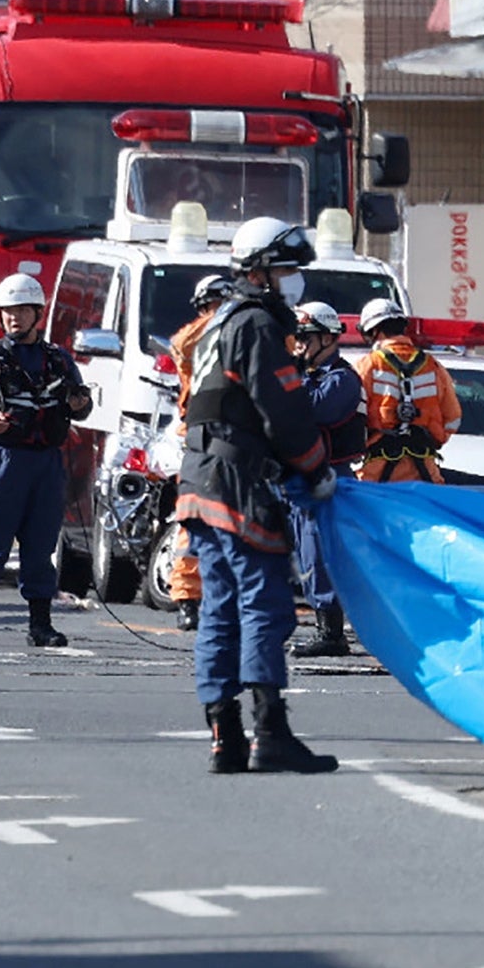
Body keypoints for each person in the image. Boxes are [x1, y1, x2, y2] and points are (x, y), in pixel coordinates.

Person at [175, 217, 340, 775]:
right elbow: (285, 412)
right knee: (264, 605)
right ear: (261, 272)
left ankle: (224, 734)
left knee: (219, 609)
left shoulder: (218, 323)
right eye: (288, 269)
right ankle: (270, 732)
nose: (295, 282)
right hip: (237, 481)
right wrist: (317, 470)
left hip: (200, 480)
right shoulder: (256, 327)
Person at [0, 270, 90, 648]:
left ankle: (40, 625)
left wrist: (79, 403)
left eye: (22, 311)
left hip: (46, 463)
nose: (14, 318)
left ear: (37, 313)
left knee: (41, 544)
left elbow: (80, 402)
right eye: (7, 312)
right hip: (1, 460)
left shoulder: (58, 360)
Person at [283, 303, 367, 660]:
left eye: (305, 337)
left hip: (328, 476)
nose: (299, 345)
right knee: (300, 550)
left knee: (318, 552)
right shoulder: (306, 374)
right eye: (296, 338)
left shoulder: (343, 379)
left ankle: (331, 632)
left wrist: (289, 379)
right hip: (296, 477)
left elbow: (313, 409)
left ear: (329, 338)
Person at [163, 272, 227, 631]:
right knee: (194, 523)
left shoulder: (242, 334)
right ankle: (188, 598)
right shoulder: (195, 337)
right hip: (201, 441)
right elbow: (181, 345)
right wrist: (216, 320)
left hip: (237, 441)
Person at [356, 298, 460, 482]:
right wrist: (433, 437)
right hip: (425, 471)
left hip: (377, 472)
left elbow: (353, 415)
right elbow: (452, 417)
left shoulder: (368, 365)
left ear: (375, 331)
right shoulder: (433, 366)